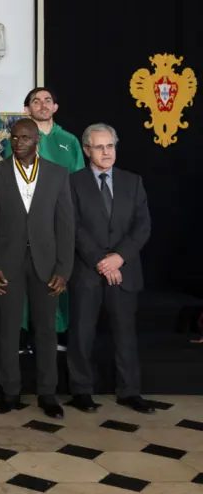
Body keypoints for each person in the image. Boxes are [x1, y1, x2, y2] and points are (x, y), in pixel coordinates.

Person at [0, 118, 75, 419]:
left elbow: (65, 225)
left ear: (38, 140)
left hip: (47, 263)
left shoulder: (57, 174)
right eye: (15, 137)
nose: (19, 142)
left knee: (46, 330)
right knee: (8, 329)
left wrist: (64, 268)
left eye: (26, 137)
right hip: (7, 262)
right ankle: (9, 392)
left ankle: (47, 393)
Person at [68, 124, 153, 414]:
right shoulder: (74, 182)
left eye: (111, 146)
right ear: (87, 150)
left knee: (125, 335)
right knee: (81, 334)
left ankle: (129, 392)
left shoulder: (133, 181)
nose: (106, 152)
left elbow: (143, 226)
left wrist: (119, 257)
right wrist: (100, 261)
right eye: (100, 147)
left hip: (124, 270)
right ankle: (81, 391)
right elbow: (74, 227)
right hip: (87, 271)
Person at [3, 87, 85, 342]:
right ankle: (24, 335)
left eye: (48, 100)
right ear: (27, 109)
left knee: (56, 279)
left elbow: (79, 182)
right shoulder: (17, 141)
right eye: (36, 101)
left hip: (57, 225)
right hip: (24, 228)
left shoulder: (69, 140)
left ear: (55, 107)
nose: (43, 104)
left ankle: (57, 334)